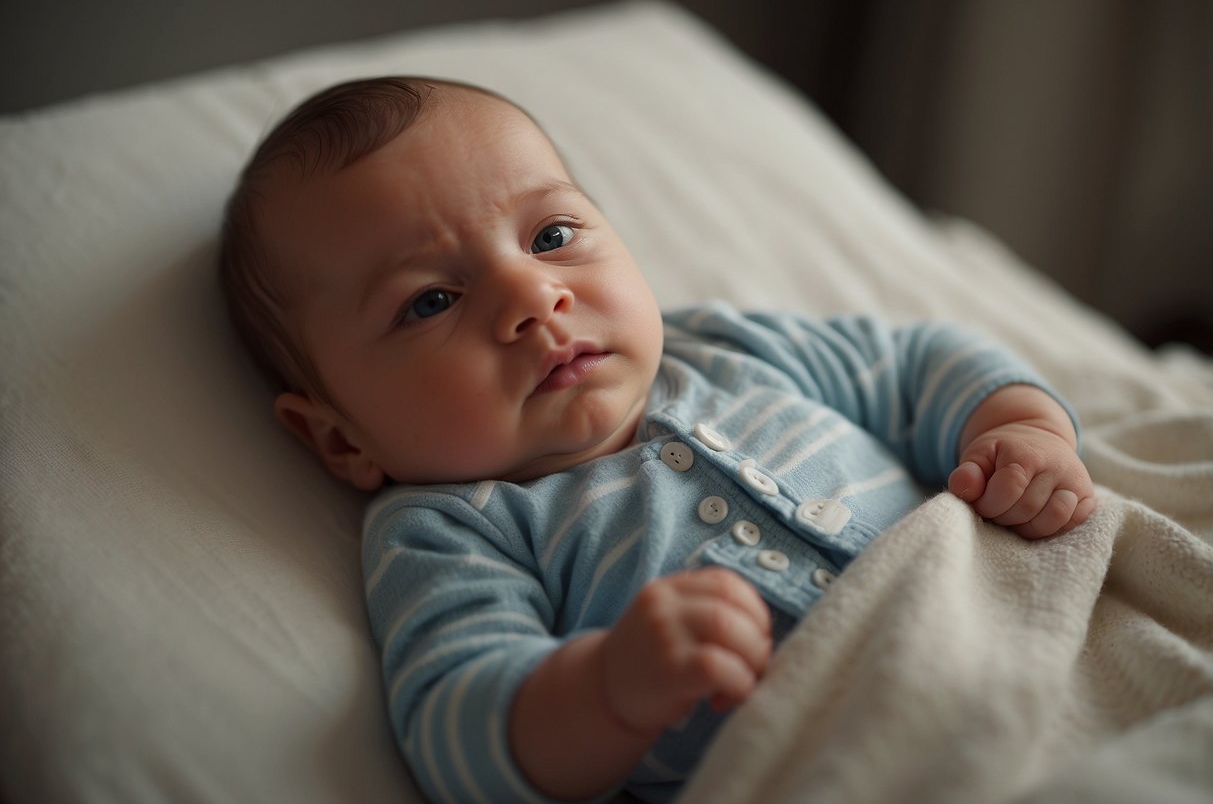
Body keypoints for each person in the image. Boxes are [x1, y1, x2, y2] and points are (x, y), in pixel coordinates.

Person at [219, 76, 1095, 804]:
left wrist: (1020, 430)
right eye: (430, 301)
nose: (532, 297)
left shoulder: (722, 347)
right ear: (339, 440)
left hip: (1036, 640)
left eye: (552, 237)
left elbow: (916, 364)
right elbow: (457, 725)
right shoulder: (451, 528)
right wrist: (606, 690)